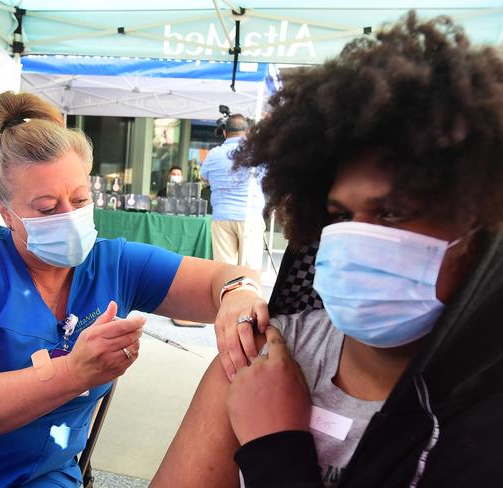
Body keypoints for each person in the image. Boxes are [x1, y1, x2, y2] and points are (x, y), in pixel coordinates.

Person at [152, 12, 503, 487]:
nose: (357, 237)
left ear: (480, 226)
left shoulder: (480, 415)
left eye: (394, 213)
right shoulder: (261, 357)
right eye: (338, 216)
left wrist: (276, 446)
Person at [0, 91, 269, 487]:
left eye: (80, 198)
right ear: (6, 211)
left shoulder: (116, 264)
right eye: (47, 208)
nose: (68, 217)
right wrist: (71, 373)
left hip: (38, 472)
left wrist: (239, 292)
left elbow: (222, 278)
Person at [200, 115, 266, 272]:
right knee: (249, 271)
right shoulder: (257, 153)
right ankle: (247, 296)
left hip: (222, 216)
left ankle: (227, 296)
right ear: (248, 131)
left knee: (224, 270)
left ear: (224, 133)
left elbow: (204, 177)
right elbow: (267, 179)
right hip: (250, 216)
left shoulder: (214, 154)